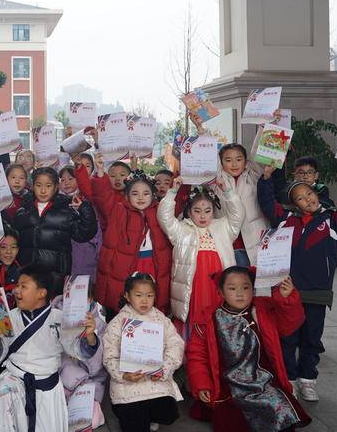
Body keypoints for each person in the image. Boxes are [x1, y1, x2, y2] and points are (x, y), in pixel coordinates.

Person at [257, 161, 337, 402]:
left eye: (309, 194)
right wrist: (266, 178)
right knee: (289, 337)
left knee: (312, 338)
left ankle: (308, 380)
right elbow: (266, 203)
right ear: (294, 204)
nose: (307, 200)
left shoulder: (332, 221)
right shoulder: (285, 220)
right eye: (301, 198)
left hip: (317, 292)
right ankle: (289, 379)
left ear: (315, 192)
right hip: (289, 293)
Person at [186, 267, 311, 432]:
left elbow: (288, 324)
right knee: (236, 420)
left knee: (282, 413)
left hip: (263, 380)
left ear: (253, 290)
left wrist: (286, 298)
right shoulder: (208, 319)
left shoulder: (262, 311)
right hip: (228, 385)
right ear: (221, 292)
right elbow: (197, 355)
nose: (240, 293)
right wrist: (202, 384)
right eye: (232, 288)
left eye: (245, 287)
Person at [0, 265, 100, 432]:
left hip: (47, 388)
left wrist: (89, 336)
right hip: (15, 381)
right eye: (17, 285)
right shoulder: (9, 318)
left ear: (41, 293)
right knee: (1, 395)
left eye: (23, 286)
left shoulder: (60, 319)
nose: (16, 290)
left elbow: (78, 351)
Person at [157, 174, 243, 336]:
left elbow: (238, 215)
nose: (203, 216)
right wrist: (172, 191)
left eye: (207, 211)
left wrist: (228, 191)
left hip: (218, 286)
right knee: (195, 325)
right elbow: (164, 218)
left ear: (213, 211)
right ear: (189, 212)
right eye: (197, 211)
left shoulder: (224, 227)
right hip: (193, 287)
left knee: (218, 321)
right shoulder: (181, 229)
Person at [90, 155, 173, 318]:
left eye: (146, 193)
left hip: (153, 265)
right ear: (127, 196)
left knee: (150, 306)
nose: (141, 197)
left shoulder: (160, 211)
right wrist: (100, 172)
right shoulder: (118, 210)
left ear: (153, 195)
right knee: (123, 307)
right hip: (125, 267)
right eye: (135, 193)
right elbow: (103, 197)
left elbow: (177, 203)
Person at [102, 273, 184, 432]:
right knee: (135, 424)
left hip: (156, 381)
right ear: (127, 296)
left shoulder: (161, 319)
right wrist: (123, 375)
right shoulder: (117, 323)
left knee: (169, 414)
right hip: (128, 387)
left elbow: (176, 344)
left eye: (149, 295)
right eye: (138, 295)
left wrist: (164, 369)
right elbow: (109, 356)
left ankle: (150, 418)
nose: (144, 300)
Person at [12, 167, 98, 293]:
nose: (43, 190)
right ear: (32, 186)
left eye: (48, 186)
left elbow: (84, 234)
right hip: (28, 275)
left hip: (56, 276)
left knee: (54, 304)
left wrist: (84, 208)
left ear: (56, 187)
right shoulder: (22, 212)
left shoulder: (66, 211)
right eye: (38, 185)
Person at [52, 281, 108, 429]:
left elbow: (98, 365)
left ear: (90, 299)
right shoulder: (54, 316)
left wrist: (90, 337)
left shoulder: (98, 322)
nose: (76, 302)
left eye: (83, 297)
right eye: (71, 297)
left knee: (89, 421)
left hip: (88, 380)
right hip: (61, 378)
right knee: (56, 419)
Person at [214, 143, 270, 267]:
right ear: (221, 163)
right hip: (228, 242)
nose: (234, 164)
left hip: (255, 239)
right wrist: (203, 133)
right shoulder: (217, 180)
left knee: (255, 277)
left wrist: (262, 131)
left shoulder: (253, 176)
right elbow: (210, 156)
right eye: (228, 160)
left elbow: (258, 153)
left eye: (239, 159)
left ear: (246, 161)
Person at [59, 165, 103, 279]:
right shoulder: (56, 201)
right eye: (62, 180)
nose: (66, 183)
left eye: (70, 179)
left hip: (85, 250)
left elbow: (95, 227)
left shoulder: (86, 200)